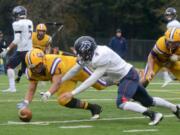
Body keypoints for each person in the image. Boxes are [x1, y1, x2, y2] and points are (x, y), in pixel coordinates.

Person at [54, 36, 180, 126]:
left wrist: (73, 93)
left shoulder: (101, 56)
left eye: (82, 52)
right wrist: (61, 80)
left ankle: (153, 115)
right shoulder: (91, 54)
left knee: (121, 102)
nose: (80, 55)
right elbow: (75, 69)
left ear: (88, 50)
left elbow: (92, 79)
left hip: (127, 76)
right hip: (124, 77)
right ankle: (175, 108)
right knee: (148, 100)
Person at [17, 48, 109, 120]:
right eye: (33, 68)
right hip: (65, 79)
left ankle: (119, 79)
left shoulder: (52, 63)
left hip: (76, 68)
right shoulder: (32, 72)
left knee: (101, 85)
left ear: (43, 61)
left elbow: (56, 83)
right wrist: (25, 103)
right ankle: (94, 108)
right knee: (63, 100)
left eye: (38, 66)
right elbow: (31, 89)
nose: (36, 69)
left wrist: (48, 93)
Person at [1, 6, 33, 92]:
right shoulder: (30, 22)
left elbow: (17, 39)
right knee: (28, 70)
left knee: (9, 66)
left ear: (17, 14)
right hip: (30, 50)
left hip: (22, 50)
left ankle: (12, 88)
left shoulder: (17, 24)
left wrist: (7, 49)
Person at [161, 7, 180, 87]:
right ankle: (168, 77)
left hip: (175, 45)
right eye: (167, 15)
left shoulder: (172, 24)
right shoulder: (174, 23)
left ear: (174, 15)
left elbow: (172, 37)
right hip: (174, 45)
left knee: (166, 60)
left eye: (170, 15)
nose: (168, 16)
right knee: (166, 61)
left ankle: (168, 77)